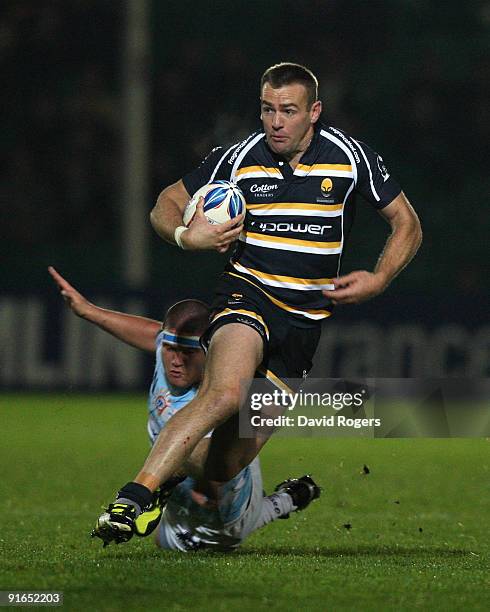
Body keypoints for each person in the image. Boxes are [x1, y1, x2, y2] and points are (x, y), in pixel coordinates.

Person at [95, 61, 422, 537]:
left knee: (223, 465)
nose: (275, 121)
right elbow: (164, 203)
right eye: (267, 109)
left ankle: (171, 473)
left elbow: (407, 223)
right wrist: (189, 237)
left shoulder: (351, 158)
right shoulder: (237, 157)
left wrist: (380, 277)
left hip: (303, 327)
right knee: (225, 392)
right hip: (246, 297)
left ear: (314, 112)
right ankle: (131, 498)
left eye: (287, 111)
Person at [48, 266, 321, 551]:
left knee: (220, 534)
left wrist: (170, 483)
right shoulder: (170, 345)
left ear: (212, 352)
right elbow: (154, 333)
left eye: (188, 353)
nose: (175, 360)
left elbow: (211, 482)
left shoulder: (209, 405)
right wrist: (88, 311)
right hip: (180, 480)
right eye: (170, 349)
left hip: (223, 501)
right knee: (165, 535)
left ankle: (282, 500)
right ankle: (290, 498)